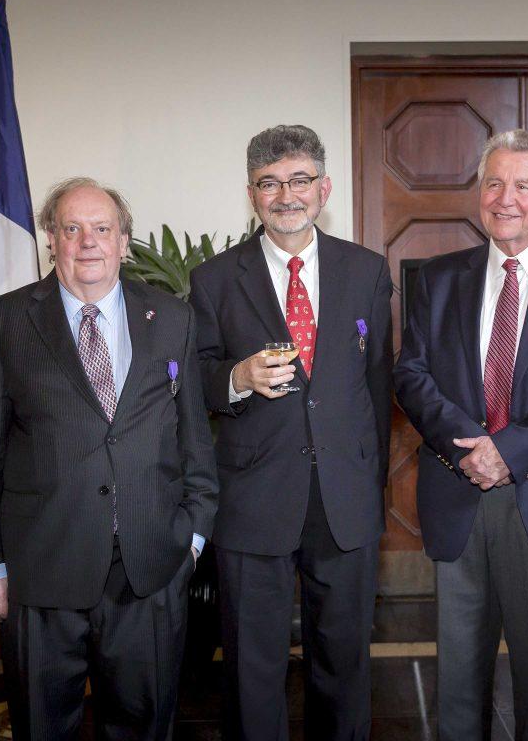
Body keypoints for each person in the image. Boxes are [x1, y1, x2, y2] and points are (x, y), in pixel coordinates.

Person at [0, 178, 218, 740]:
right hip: (41, 571)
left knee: (144, 727)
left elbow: (195, 439)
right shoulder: (3, 321)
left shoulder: (172, 319)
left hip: (149, 569)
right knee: (42, 726)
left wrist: (192, 538)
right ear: (50, 239)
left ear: (124, 241)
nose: (88, 242)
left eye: (102, 229)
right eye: (71, 228)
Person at [394, 129, 528, 740]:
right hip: (457, 489)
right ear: (477, 194)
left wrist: (507, 451)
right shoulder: (436, 279)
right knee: (459, 679)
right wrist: (472, 448)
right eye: (493, 183)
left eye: (523, 185)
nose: (505, 198)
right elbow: (410, 371)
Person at [188, 124, 393, 739]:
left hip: (345, 500)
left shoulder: (366, 270)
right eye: (269, 183)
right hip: (253, 501)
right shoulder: (215, 280)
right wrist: (238, 376)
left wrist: (369, 482)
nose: (286, 195)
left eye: (299, 180)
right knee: (253, 671)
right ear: (251, 194)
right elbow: (191, 381)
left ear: (323, 187)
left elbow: (376, 385)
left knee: (346, 665)